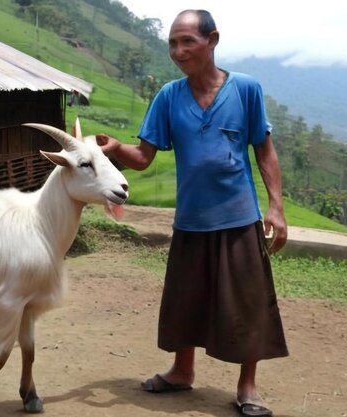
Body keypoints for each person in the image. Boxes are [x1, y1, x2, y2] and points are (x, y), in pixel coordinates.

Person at [97, 9, 288, 417]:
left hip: (238, 219)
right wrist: (114, 149)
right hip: (190, 219)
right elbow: (144, 157)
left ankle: (248, 386)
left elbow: (264, 151)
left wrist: (276, 207)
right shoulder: (168, 97)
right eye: (172, 43)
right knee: (185, 301)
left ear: (212, 40)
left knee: (246, 303)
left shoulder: (246, 90)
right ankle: (182, 372)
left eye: (188, 42)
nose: (178, 51)